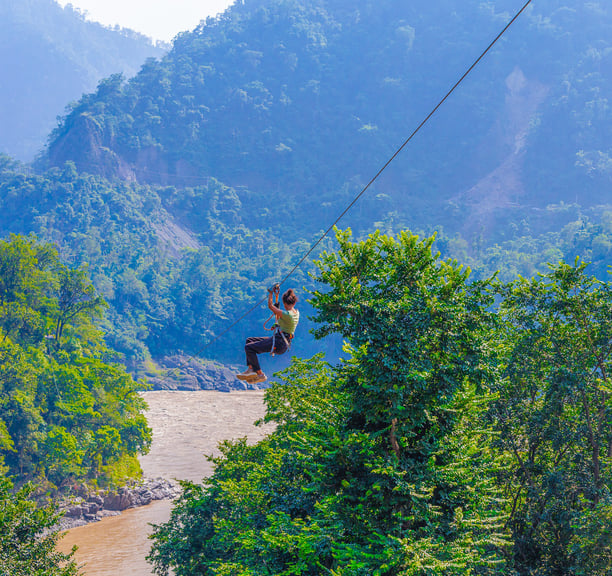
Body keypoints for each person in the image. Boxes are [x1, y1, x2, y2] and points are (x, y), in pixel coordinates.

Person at [236, 286, 299, 384]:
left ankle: (260, 374)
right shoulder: (296, 313)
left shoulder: (287, 314)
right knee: (249, 340)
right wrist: (277, 324)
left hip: (279, 343)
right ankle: (251, 369)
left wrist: (270, 293)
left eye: (286, 305)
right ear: (294, 303)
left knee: (249, 348)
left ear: (285, 303)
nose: (286, 307)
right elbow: (285, 322)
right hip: (282, 340)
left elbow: (270, 306)